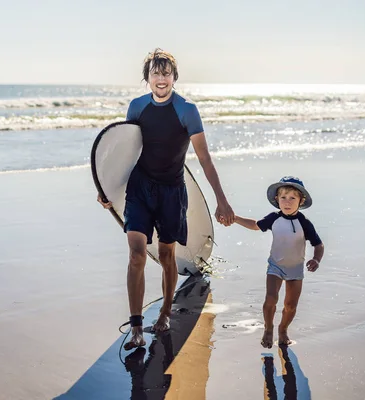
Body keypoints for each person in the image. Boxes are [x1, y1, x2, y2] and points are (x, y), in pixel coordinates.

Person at [97, 48, 234, 350]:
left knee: (167, 255)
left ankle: (165, 313)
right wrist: (108, 190)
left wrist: (221, 200)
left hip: (173, 191)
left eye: (166, 72)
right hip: (140, 188)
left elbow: (205, 159)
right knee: (136, 253)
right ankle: (135, 327)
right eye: (155, 73)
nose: (161, 78)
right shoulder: (136, 107)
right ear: (147, 78)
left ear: (174, 77)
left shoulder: (187, 110)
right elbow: (124, 152)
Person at [233, 176, 325, 348]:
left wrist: (316, 259)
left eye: (292, 198)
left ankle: (283, 329)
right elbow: (255, 225)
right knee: (271, 298)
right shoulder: (273, 218)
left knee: (290, 305)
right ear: (277, 200)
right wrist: (236, 218)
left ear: (301, 201)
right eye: (283, 197)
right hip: (275, 265)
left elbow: (318, 244)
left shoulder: (304, 223)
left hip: (296, 268)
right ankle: (268, 329)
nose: (287, 202)